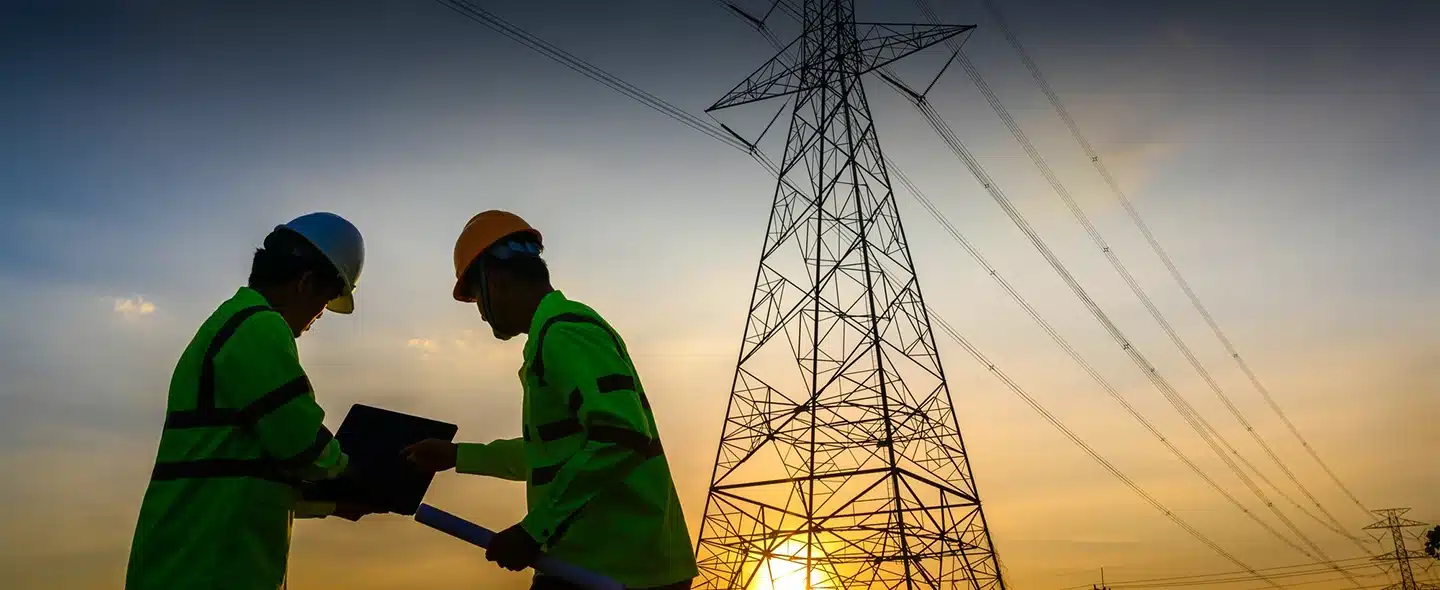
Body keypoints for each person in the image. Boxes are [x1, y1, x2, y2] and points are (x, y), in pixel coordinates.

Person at [403, 210, 698, 590]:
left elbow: (621, 436)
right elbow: (550, 455)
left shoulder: (565, 333)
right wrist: (456, 456)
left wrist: (532, 531)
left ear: (495, 278)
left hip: (619, 573)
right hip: (595, 567)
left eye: (475, 295)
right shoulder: (551, 338)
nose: (478, 312)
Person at [125, 212, 379, 590]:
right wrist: (365, 474)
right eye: (325, 302)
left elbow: (249, 472)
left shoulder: (228, 325)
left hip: (187, 568)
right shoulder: (259, 326)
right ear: (305, 283)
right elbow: (303, 444)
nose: (318, 317)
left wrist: (333, 503)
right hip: (204, 573)